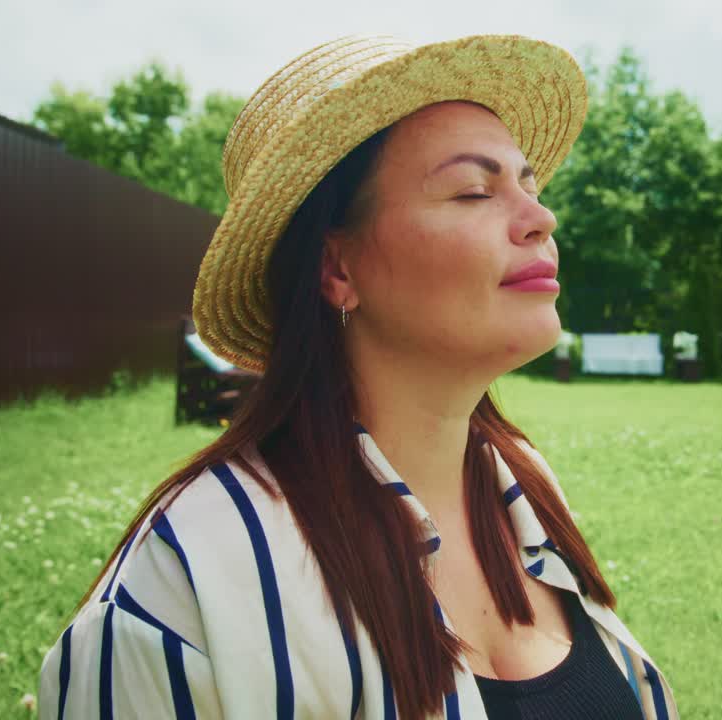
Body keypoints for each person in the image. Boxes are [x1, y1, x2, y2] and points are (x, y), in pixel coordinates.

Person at [38, 34, 680, 720]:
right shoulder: (184, 584)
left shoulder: (523, 484)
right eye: (473, 191)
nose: (541, 218)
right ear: (337, 269)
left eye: (528, 186)